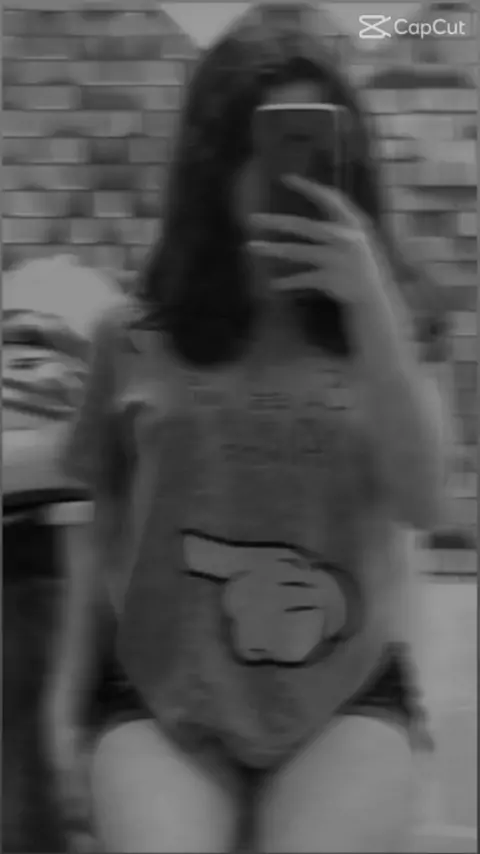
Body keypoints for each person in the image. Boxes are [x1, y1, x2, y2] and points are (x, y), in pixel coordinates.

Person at [45, 20, 450, 854]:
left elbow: (425, 501)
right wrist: (63, 701)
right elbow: (97, 530)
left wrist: (373, 308)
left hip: (345, 696)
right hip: (162, 693)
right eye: (259, 146)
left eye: (311, 148)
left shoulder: (392, 335)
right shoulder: (132, 335)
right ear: (213, 161)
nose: (282, 175)